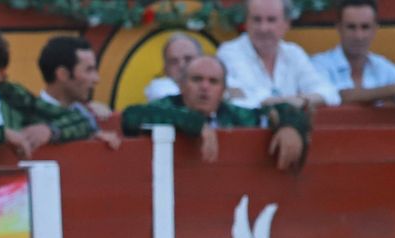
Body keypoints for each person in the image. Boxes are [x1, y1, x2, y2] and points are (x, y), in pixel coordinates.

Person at [121, 56, 309, 171]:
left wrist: (290, 126)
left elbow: (280, 110)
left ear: (224, 90)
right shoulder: (167, 105)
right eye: (197, 79)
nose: (205, 87)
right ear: (181, 84)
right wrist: (195, 123)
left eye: (213, 82)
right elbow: (131, 116)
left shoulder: (231, 113)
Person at [217, 0, 337, 109]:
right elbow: (244, 97)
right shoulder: (229, 53)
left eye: (271, 20)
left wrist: (302, 100)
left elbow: (330, 93)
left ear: (286, 24)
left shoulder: (294, 53)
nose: (263, 28)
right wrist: (289, 102)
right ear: (246, 22)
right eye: (257, 20)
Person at [312, 0, 395, 106]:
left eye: (365, 27)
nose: (358, 36)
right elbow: (336, 96)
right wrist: (392, 91)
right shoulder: (319, 64)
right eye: (351, 27)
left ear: (375, 29)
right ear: (339, 28)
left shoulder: (382, 66)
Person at [37, 36, 121, 149]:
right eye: (88, 70)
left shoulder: (88, 112)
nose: (97, 79)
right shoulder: (30, 115)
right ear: (63, 74)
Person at [146, 34, 200, 102]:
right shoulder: (161, 92)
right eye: (174, 61)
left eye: (188, 59)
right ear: (166, 69)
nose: (182, 65)